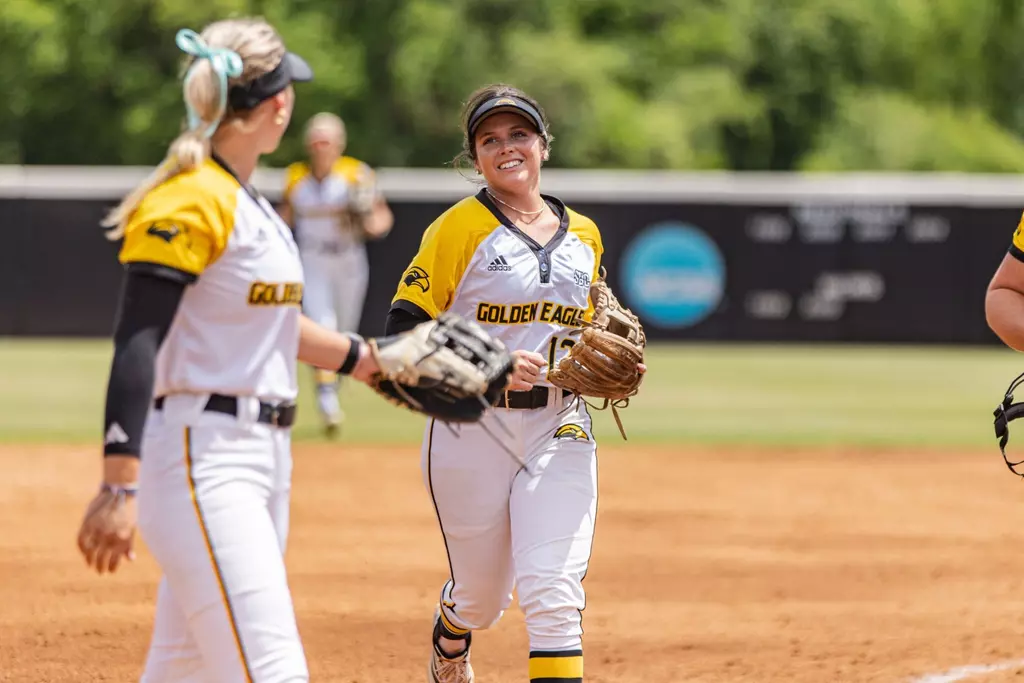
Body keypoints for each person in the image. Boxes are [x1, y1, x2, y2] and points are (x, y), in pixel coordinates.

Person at [74, 19, 409, 683]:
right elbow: (138, 338)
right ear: (279, 105)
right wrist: (119, 481)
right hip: (204, 457)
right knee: (271, 669)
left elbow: (272, 326)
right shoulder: (191, 197)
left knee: (186, 667)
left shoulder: (248, 202)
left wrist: (363, 359)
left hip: (261, 458)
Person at [386, 84, 643, 683]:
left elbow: (590, 320)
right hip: (470, 427)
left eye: (519, 134)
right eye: (489, 139)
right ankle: (453, 637)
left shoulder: (585, 234)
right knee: (481, 599)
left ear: (543, 146)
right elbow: (403, 331)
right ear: (473, 158)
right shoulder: (458, 229)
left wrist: (612, 355)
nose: (507, 147)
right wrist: (487, 370)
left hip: (561, 421)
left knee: (553, 595)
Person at [279, 112, 393, 436]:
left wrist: (371, 222)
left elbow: (381, 217)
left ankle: (331, 385)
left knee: (344, 330)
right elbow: (284, 216)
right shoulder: (295, 177)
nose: (321, 147)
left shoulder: (356, 174)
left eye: (327, 140)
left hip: (348, 259)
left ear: (339, 143)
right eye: (316, 140)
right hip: (312, 258)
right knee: (322, 324)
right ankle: (328, 402)